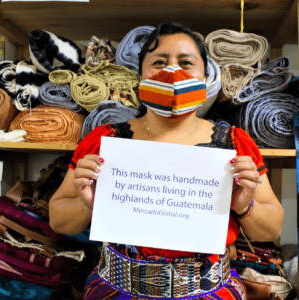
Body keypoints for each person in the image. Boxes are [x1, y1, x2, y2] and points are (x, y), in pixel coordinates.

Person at [49, 21, 284, 300]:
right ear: (140, 75)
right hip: (117, 291)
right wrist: (88, 204)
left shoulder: (234, 144)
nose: (172, 72)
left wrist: (244, 206)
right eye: (159, 61)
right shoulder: (106, 142)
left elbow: (271, 229)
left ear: (205, 75)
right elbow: (59, 222)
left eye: (186, 62)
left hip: (209, 293)